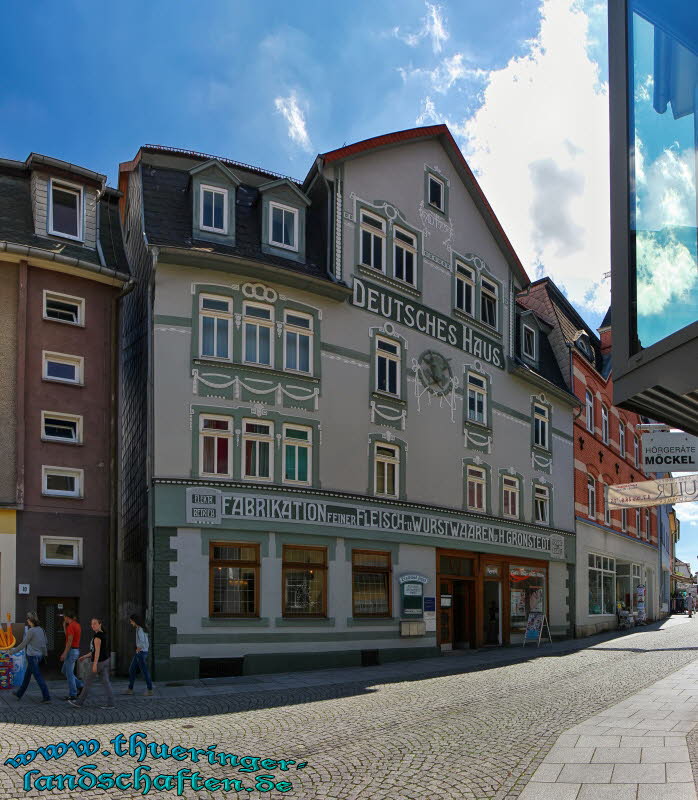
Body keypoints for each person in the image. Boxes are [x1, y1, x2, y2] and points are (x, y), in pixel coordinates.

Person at [69, 618, 114, 709]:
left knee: (87, 684)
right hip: (105, 661)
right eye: (91, 624)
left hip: (98, 662)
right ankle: (111, 703)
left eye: (95, 623)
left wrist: (94, 664)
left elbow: (96, 652)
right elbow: (96, 651)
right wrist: (85, 656)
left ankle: (79, 702)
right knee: (106, 683)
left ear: (100, 624)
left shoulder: (97, 637)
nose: (92, 625)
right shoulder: (104, 634)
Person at [5, 613, 50, 703]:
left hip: (32, 657)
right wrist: (45, 655)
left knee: (38, 677)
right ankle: (19, 693)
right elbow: (45, 643)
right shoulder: (41, 629)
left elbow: (23, 644)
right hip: (39, 656)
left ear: (30, 620)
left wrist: (12, 652)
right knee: (27, 676)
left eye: (28, 619)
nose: (27, 621)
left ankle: (47, 697)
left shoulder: (31, 631)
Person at [125, 614, 154, 696]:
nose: (131, 623)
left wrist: (138, 649)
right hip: (141, 653)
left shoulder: (139, 629)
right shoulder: (141, 628)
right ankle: (130, 689)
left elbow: (142, 642)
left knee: (144, 672)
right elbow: (146, 642)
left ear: (134, 621)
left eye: (131, 621)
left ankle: (150, 690)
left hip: (140, 653)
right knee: (132, 670)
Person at [60, 611, 84, 700]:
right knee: (65, 670)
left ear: (67, 617)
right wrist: (63, 627)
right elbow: (69, 636)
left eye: (64, 617)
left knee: (69, 673)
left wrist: (64, 653)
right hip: (75, 650)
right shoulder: (76, 625)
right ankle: (81, 685)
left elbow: (69, 641)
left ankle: (73, 694)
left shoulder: (71, 626)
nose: (63, 619)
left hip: (71, 651)